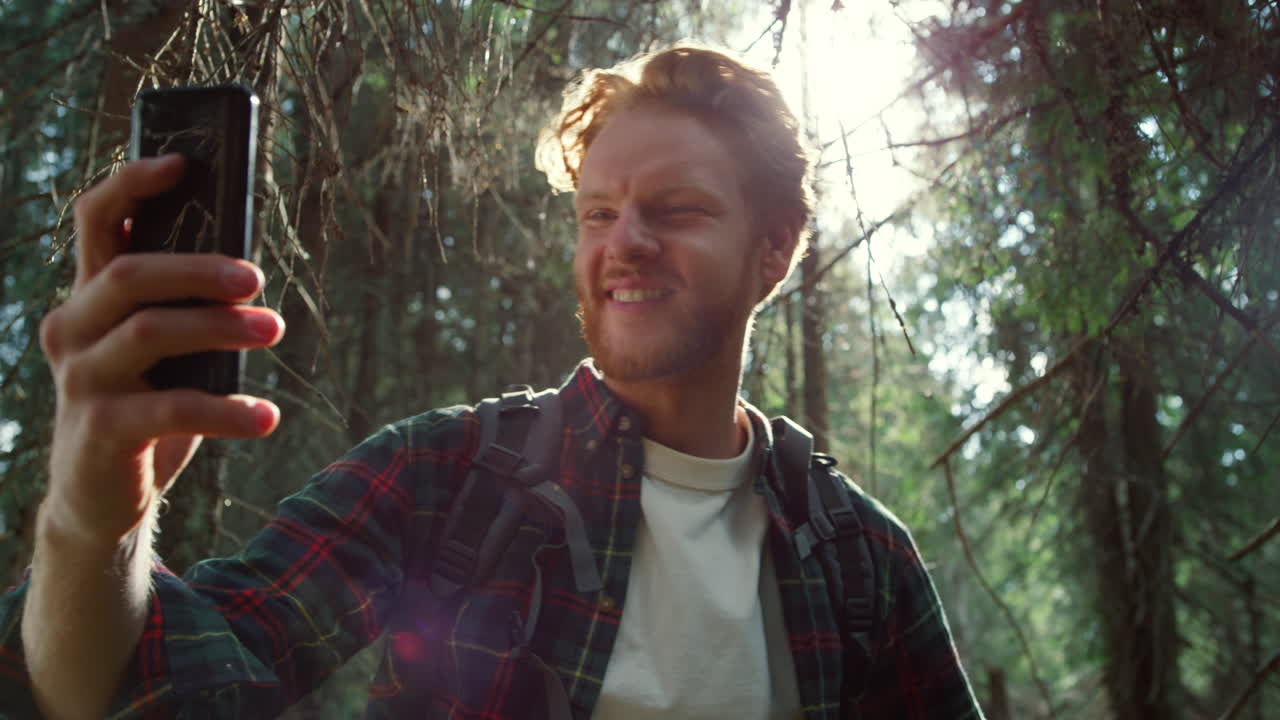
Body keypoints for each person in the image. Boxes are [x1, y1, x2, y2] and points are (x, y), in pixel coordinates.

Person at [0, 45, 983, 719]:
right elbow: (153, 677)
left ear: (773, 249)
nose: (622, 243)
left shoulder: (860, 559)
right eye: (598, 213)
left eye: (674, 209)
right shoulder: (449, 473)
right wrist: (96, 517)